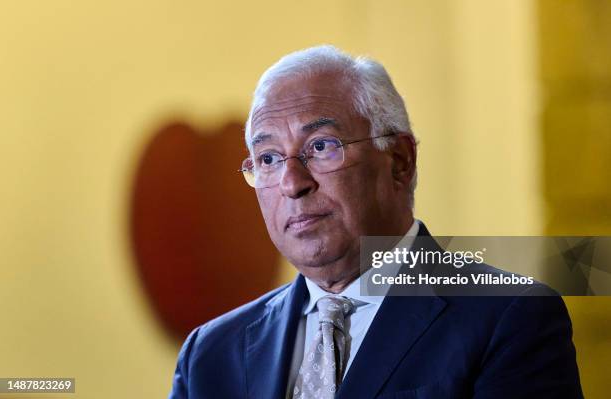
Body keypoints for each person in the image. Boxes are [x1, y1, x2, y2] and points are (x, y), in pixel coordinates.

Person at [168, 45, 583, 399]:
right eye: (269, 159)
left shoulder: (509, 318)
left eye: (321, 146)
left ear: (399, 161)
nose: (292, 184)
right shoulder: (210, 355)